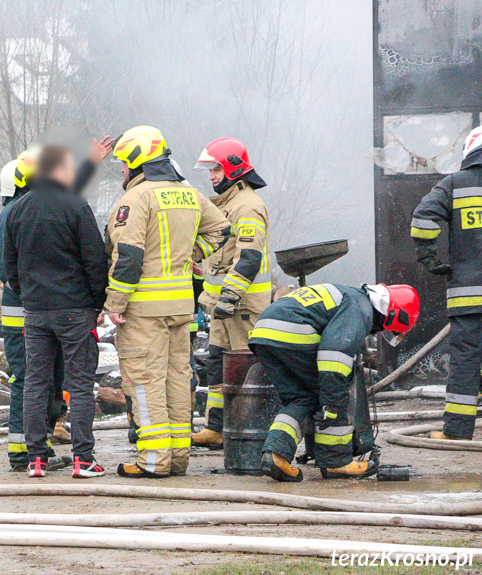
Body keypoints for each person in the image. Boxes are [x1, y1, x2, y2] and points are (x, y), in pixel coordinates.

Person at [105, 125, 231, 478]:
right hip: (181, 308)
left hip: (144, 311)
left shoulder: (137, 198)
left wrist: (115, 303)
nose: (122, 170)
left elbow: (128, 256)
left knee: (145, 384)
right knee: (177, 380)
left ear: (136, 160)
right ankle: (177, 458)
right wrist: (195, 254)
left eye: (123, 163)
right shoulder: (188, 195)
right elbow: (222, 229)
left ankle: (153, 460)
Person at [0, 139, 111, 471]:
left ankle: (36, 460)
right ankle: (83, 460)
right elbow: (94, 262)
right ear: (57, 170)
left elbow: (9, 267)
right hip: (75, 311)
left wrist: (29, 295)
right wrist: (96, 302)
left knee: (35, 382)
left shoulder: (15, 210)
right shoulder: (76, 206)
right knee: (80, 384)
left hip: (35, 313)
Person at [251, 283, 419, 481]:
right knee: (337, 387)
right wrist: (332, 403)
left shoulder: (350, 294)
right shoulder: (360, 308)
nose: (377, 331)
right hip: (295, 333)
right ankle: (336, 462)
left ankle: (276, 456)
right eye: (387, 328)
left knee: (300, 398)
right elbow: (334, 357)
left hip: (263, 333)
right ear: (391, 314)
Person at [191, 137, 272, 450]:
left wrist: (229, 298)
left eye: (215, 170)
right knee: (217, 366)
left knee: (243, 368)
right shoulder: (225, 204)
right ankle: (216, 427)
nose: (211, 177)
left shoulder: (248, 206)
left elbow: (249, 258)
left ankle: (246, 429)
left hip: (242, 307)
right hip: (222, 307)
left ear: (233, 169)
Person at [411, 125, 482, 441]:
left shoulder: (454, 184)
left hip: (467, 300)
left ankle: (457, 432)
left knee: (466, 364)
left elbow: (422, 218)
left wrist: (429, 258)